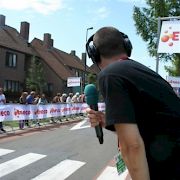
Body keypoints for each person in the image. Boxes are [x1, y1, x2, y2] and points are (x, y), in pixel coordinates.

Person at [86, 27, 180, 180]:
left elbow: (132, 146)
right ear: (126, 47)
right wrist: (107, 120)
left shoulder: (110, 75)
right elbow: (154, 127)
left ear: (94, 54)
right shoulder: (142, 72)